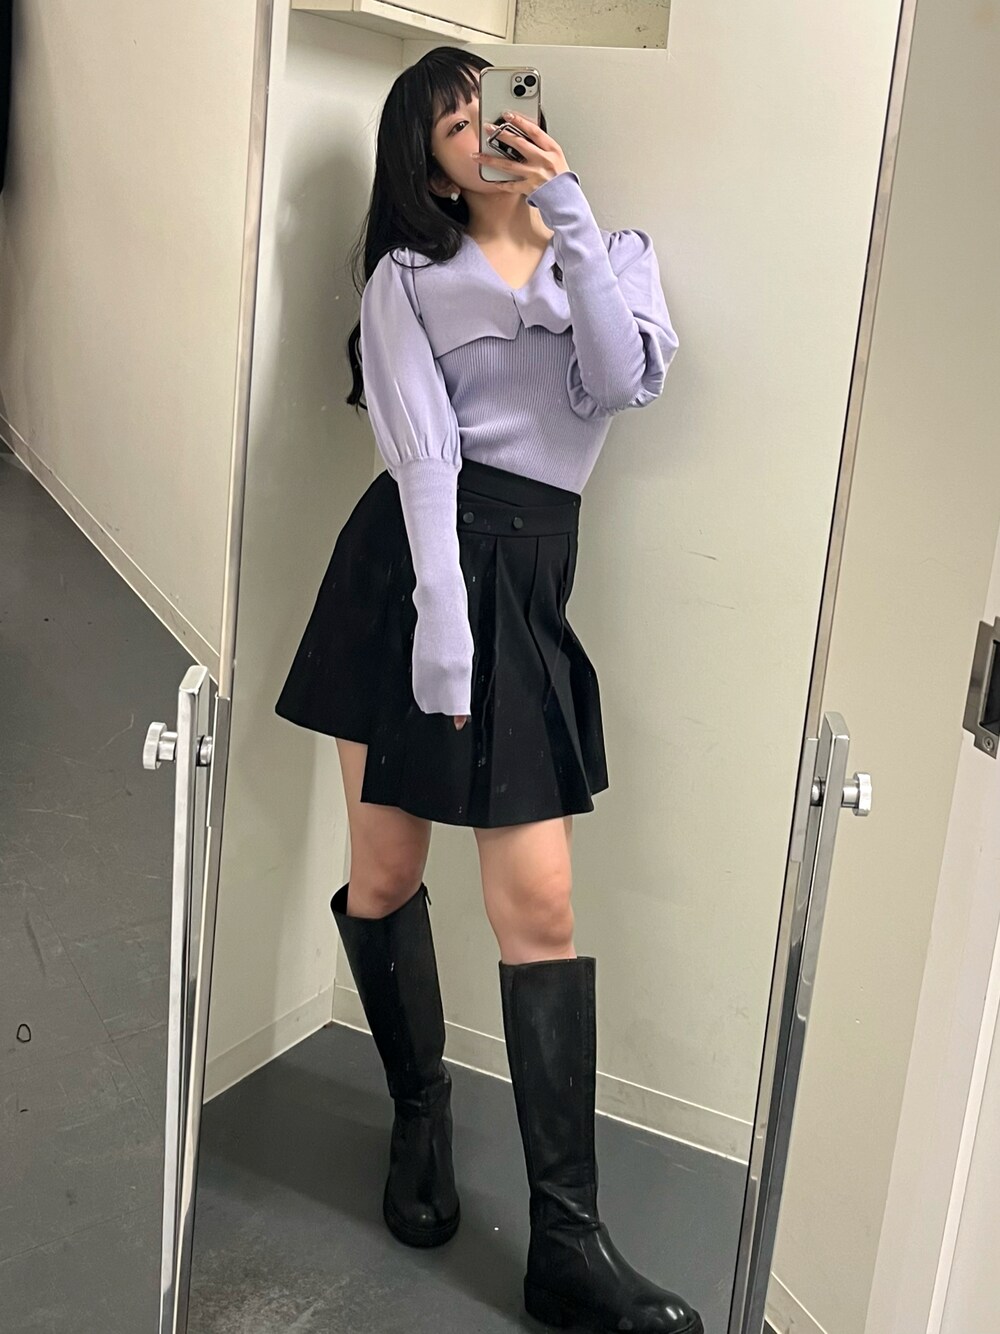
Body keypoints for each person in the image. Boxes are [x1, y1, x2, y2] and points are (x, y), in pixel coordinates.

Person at [275, 46, 700, 1334]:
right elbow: (421, 459)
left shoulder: (610, 254)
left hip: (529, 585)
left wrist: (567, 213)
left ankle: (567, 1242)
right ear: (429, 167)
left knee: (541, 903)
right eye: (452, 126)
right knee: (387, 871)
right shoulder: (408, 281)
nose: (485, 134)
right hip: (410, 577)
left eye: (494, 110)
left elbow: (617, 383)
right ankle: (420, 1115)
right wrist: (441, 638)